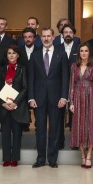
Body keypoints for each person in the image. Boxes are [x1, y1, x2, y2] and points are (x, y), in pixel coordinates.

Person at [28, 28, 69, 168]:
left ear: (53, 37)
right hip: (38, 98)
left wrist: (64, 97)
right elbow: (31, 78)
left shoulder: (61, 54)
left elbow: (65, 77)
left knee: (55, 129)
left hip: (56, 98)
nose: (46, 39)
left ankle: (52, 159)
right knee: (39, 129)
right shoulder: (34, 55)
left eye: (48, 36)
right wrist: (31, 97)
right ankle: (40, 159)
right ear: (40, 39)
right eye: (43, 36)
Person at [69, 42, 93, 168]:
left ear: (89, 53)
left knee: (91, 126)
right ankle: (82, 155)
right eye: (81, 51)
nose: (83, 53)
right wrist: (71, 102)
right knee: (79, 126)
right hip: (77, 97)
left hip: (91, 97)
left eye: (86, 51)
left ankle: (89, 155)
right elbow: (71, 85)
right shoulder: (74, 66)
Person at [0, 45, 29, 167]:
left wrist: (16, 102)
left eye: (14, 53)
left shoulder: (23, 69)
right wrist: (2, 103)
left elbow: (25, 88)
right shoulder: (1, 69)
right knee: (5, 134)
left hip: (17, 106)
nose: (11, 55)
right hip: (4, 106)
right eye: (9, 53)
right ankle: (6, 159)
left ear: (18, 55)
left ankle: (14, 158)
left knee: (16, 134)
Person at [58, 23, 79, 137]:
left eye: (70, 32)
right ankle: (60, 141)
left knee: (74, 113)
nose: (68, 34)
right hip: (59, 85)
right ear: (62, 35)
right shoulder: (57, 48)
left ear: (74, 35)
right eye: (65, 32)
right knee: (59, 114)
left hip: (75, 85)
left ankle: (74, 140)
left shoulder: (80, 48)